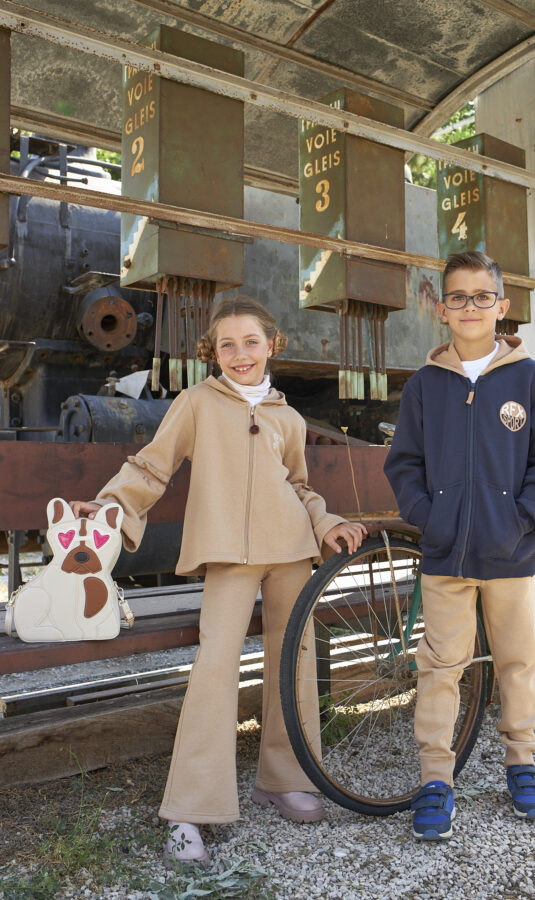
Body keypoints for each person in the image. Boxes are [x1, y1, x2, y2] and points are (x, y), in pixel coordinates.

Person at [71, 295, 366, 864]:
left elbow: (299, 487)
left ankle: (284, 779)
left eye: (251, 342)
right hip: (228, 555)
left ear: (271, 345)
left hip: (291, 552)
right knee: (215, 667)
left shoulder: (288, 417)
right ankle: (190, 807)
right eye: (227, 344)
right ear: (213, 352)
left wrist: (327, 522)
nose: (240, 353)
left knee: (295, 659)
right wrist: (109, 506)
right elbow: (152, 465)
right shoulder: (197, 403)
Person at [384, 251, 535, 840]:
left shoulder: (534, 381)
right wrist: (429, 518)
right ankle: (435, 778)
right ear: (442, 309)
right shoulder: (424, 386)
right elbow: (404, 463)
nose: (470, 306)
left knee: (518, 659)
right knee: (440, 665)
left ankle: (523, 762)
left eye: (482, 296)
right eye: (458, 297)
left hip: (512, 553)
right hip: (446, 554)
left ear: (501, 306)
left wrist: (523, 522)